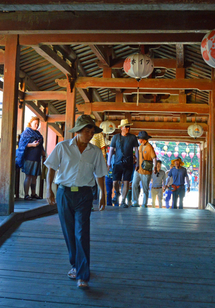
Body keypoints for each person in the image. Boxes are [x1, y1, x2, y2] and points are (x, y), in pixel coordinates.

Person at [44, 115, 108, 289]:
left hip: (85, 195)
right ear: (78, 131)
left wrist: (103, 193)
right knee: (69, 232)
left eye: (92, 131)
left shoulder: (95, 152)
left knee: (81, 232)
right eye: (87, 131)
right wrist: (49, 189)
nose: (90, 134)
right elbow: (50, 168)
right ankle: (75, 264)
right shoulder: (62, 147)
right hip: (64, 193)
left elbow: (100, 174)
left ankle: (82, 274)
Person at [107, 119, 138, 208]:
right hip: (117, 162)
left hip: (128, 162)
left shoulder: (133, 137)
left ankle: (123, 201)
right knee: (115, 182)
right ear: (122, 128)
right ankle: (117, 193)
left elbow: (136, 150)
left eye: (129, 126)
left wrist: (137, 163)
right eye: (126, 127)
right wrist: (109, 163)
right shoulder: (115, 137)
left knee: (126, 182)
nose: (128, 128)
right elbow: (111, 150)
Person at [16, 116, 46, 200]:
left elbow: (41, 147)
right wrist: (33, 144)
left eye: (38, 124)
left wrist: (44, 156)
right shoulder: (26, 132)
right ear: (31, 123)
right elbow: (21, 145)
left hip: (37, 158)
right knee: (28, 176)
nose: (36, 125)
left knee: (35, 177)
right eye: (35, 123)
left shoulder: (38, 134)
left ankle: (33, 193)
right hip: (29, 157)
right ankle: (26, 194)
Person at [132, 131, 157, 207]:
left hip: (146, 171)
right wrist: (136, 163)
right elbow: (138, 157)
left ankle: (144, 204)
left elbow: (154, 158)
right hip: (138, 170)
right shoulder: (140, 147)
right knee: (134, 185)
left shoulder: (149, 147)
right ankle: (135, 202)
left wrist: (155, 167)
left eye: (140, 139)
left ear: (143, 139)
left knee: (145, 188)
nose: (139, 140)